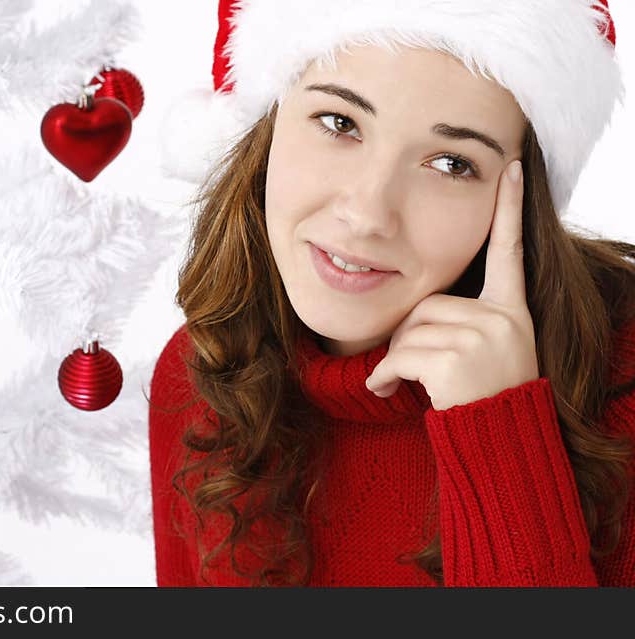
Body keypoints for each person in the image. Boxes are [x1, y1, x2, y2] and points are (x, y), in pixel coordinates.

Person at [148, 0, 635, 586]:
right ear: (268, 126)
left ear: (522, 197)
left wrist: (498, 437)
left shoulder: (621, 394)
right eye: (339, 124)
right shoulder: (201, 371)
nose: (368, 214)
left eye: (452, 163)